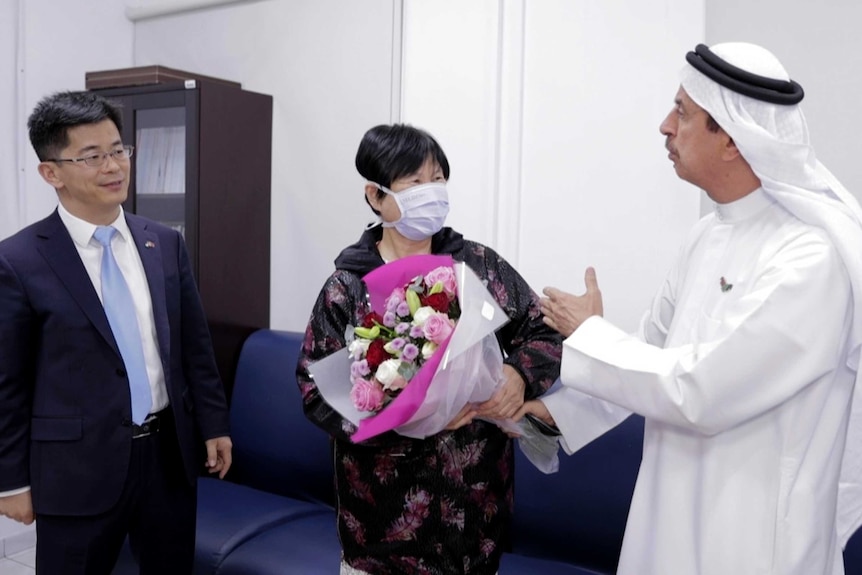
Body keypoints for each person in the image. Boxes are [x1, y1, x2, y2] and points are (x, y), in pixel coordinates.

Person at [516, 42, 862, 575]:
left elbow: (700, 389)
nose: (664, 126)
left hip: (754, 541)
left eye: (682, 111)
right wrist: (541, 416)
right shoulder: (707, 235)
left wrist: (589, 333)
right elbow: (647, 355)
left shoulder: (812, 259)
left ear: (731, 137)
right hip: (668, 518)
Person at [296, 124, 562, 575]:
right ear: (376, 197)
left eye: (438, 178)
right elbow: (315, 389)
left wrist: (518, 376)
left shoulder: (477, 266)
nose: (432, 191)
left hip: (476, 521)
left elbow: (544, 331)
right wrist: (398, 420)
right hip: (384, 530)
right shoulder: (348, 287)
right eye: (415, 182)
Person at [0, 91, 233, 574]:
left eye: (118, 150)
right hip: (75, 468)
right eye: (91, 156)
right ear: (52, 172)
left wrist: (213, 424)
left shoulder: (163, 241)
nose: (113, 166)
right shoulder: (18, 261)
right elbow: (7, 384)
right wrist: (10, 481)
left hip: (167, 456)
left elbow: (194, 346)